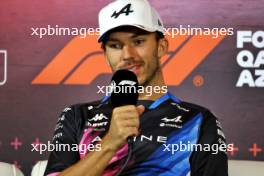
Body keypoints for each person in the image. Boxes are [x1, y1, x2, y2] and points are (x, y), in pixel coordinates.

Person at [44, 0, 228, 175]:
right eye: (115, 45)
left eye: (138, 42)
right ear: (106, 55)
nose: (127, 55)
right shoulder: (77, 115)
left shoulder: (198, 120)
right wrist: (110, 143)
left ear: (161, 46)